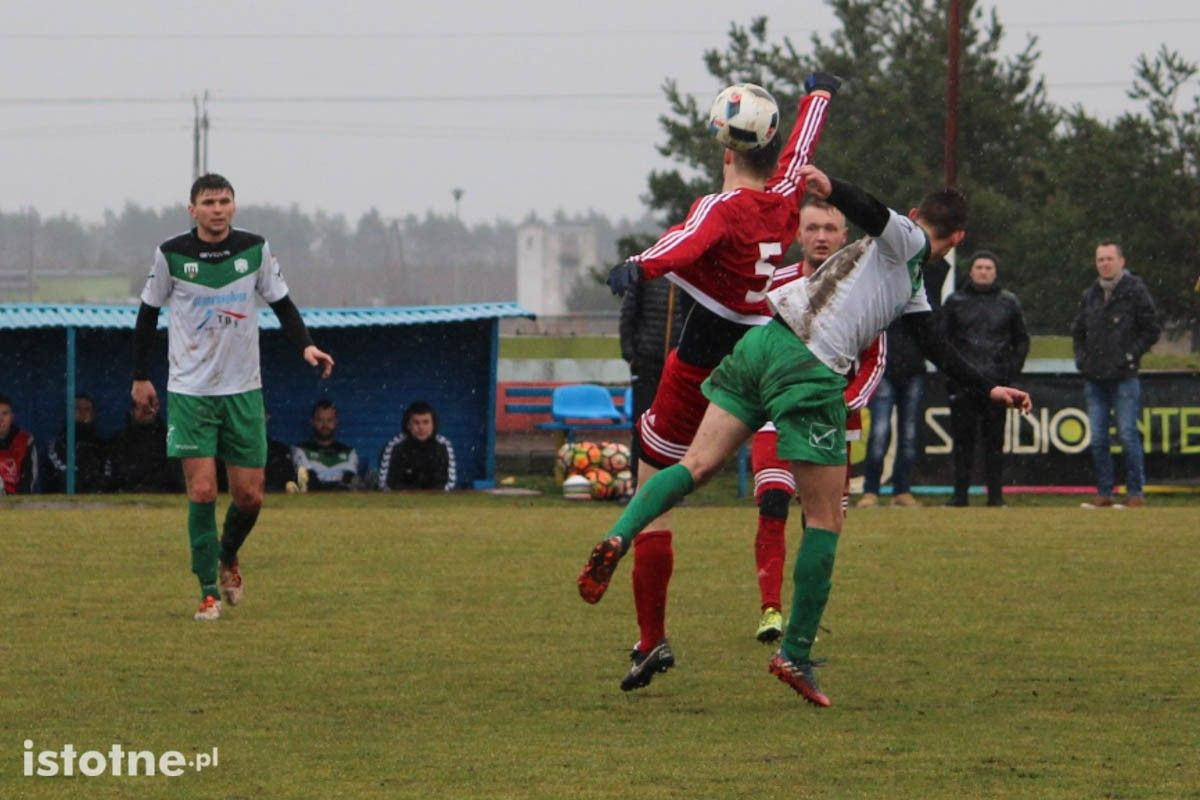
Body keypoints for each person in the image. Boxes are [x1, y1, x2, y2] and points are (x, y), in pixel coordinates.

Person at [578, 166, 1032, 707]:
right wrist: (831, 185)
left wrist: (988, 389)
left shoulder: (904, 278)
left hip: (764, 345)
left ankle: (620, 535)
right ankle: (794, 652)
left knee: (696, 466)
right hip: (811, 369)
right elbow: (870, 206)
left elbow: (936, 344)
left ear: (919, 217)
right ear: (956, 240)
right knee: (825, 517)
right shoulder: (907, 240)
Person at [591, 74, 837, 692]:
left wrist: (637, 265)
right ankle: (791, 634)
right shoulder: (785, 199)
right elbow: (801, 152)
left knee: (656, 489)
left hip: (700, 358)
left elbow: (685, 242)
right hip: (757, 353)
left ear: (725, 149)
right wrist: (819, 97)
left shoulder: (721, 207)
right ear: (767, 148)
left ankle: (651, 639)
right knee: (785, 494)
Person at [131, 172, 334, 622]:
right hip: (191, 391)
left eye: (224, 201)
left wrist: (306, 344)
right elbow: (147, 313)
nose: (217, 209)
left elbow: (282, 303)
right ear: (193, 210)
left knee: (250, 498)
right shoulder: (171, 255)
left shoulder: (255, 249)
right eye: (208, 202)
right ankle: (207, 592)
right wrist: (140, 376)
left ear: (234, 206)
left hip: (243, 390)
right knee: (202, 491)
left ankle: (228, 557)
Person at [750, 198, 885, 643]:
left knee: (821, 522)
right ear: (798, 234)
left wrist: (846, 401)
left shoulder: (863, 289)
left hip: (832, 420)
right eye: (813, 228)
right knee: (772, 500)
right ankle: (770, 609)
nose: (821, 236)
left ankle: (803, 621)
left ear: (844, 236)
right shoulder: (776, 286)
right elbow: (752, 346)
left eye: (830, 228)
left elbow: (874, 359)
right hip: (778, 414)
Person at [1071, 241, 1160, 508]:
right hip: (1094, 377)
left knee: (1127, 434)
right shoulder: (1090, 294)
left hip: (1124, 377)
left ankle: (1135, 493)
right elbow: (1078, 331)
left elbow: (1151, 329)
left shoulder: (1136, 291)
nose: (1104, 264)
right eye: (1100, 259)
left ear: (1122, 261)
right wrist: (1082, 360)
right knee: (1098, 438)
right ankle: (1105, 492)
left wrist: (1131, 355)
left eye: (1109, 258)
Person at [856, 257, 949, 509]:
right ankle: (871, 491)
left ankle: (902, 490)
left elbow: (939, 268)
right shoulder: (880, 291)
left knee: (909, 435)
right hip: (884, 371)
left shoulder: (923, 294)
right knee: (879, 433)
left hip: (914, 372)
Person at [941, 250, 1030, 507]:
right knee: (962, 443)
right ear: (970, 271)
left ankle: (996, 496)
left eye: (988, 267)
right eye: (979, 267)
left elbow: (1021, 341)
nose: (983, 271)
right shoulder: (955, 302)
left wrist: (1010, 372)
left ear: (995, 272)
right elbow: (942, 341)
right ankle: (960, 496)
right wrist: (953, 374)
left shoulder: (1009, 302)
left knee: (995, 443)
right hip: (964, 385)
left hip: (997, 385)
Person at [618, 277, 689, 485]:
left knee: (675, 428)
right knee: (643, 424)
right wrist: (631, 355)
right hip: (647, 364)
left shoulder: (691, 275)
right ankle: (637, 483)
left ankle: (671, 485)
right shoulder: (648, 273)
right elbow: (628, 315)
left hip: (679, 366)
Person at [107, 395, 184, 493]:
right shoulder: (119, 440)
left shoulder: (168, 439)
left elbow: (174, 475)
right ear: (132, 410)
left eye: (149, 406)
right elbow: (114, 475)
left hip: (162, 494)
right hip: (126, 494)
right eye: (141, 406)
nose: (146, 410)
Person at [378, 401, 456, 491]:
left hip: (436, 501)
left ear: (434, 425)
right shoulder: (395, 446)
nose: (421, 428)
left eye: (426, 422)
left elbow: (449, 483)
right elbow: (386, 484)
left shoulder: (443, 446)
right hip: (401, 501)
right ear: (408, 425)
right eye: (416, 422)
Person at [44, 392, 110, 494]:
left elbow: (106, 476)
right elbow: (59, 476)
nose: (82, 413)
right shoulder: (56, 445)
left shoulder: (102, 447)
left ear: (93, 414)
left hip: (96, 504)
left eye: (87, 409)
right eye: (77, 408)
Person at [291, 399, 361, 490]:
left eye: (329, 420)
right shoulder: (299, 450)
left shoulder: (350, 453)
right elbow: (310, 482)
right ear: (312, 422)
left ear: (336, 422)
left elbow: (348, 483)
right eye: (320, 420)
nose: (325, 425)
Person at [0, 393, 38, 494]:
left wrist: (15, 501)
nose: (0, 420)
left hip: (17, 504)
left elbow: (29, 479)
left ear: (12, 417)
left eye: (5, 414)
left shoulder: (25, 441)